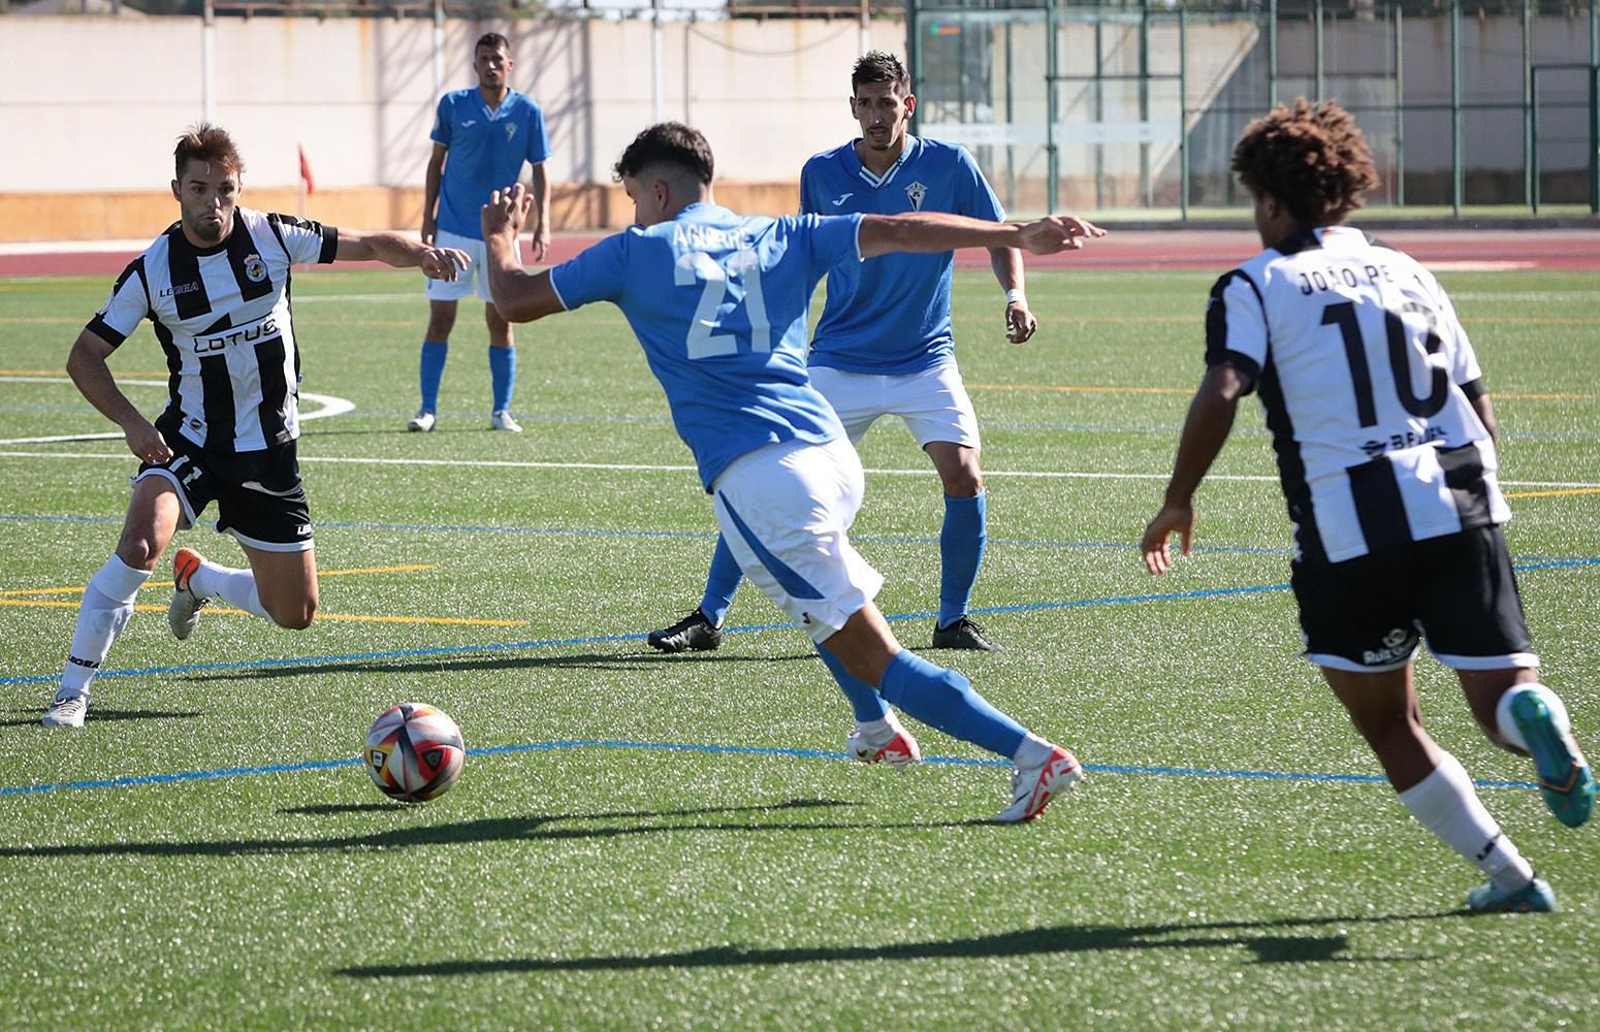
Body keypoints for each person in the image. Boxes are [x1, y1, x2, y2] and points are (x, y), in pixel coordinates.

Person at [482, 122, 1103, 820]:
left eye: (633, 197)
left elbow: (512, 300)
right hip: (829, 452)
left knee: (877, 653)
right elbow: (901, 229)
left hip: (763, 478)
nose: (634, 212)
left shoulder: (637, 251)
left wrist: (501, 234)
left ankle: (1033, 757)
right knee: (818, 605)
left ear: (657, 190)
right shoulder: (783, 232)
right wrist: (1013, 232)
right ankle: (875, 731)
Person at [1139, 99, 1592, 910]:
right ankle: (1534, 716)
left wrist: (1179, 498)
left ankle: (1512, 876)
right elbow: (1479, 410)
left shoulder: (1255, 282)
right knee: (1497, 704)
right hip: (1462, 503)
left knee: (1390, 722)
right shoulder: (1411, 270)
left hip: (1353, 529)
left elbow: (1224, 386)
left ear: (1272, 200)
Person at [42, 124, 469, 729]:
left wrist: (421, 253)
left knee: (294, 612)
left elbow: (368, 243)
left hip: (269, 452)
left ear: (238, 190)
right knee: (141, 540)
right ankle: (71, 692)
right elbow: (84, 356)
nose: (212, 202)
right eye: (199, 188)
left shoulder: (270, 235)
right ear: (176, 191)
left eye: (225, 189)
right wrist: (133, 424)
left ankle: (203, 580)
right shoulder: (152, 271)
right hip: (188, 441)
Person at [647, 51, 1036, 656]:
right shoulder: (821, 173)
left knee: (964, 475)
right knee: (765, 478)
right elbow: (806, 254)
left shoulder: (951, 165)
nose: (877, 115)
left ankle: (953, 619)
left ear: (909, 105)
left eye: (888, 103)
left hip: (926, 360)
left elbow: (997, 234)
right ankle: (708, 616)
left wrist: (1015, 294)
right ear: (852, 107)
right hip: (837, 360)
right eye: (866, 103)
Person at [409, 31, 551, 434]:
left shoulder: (528, 111)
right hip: (452, 229)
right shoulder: (453, 105)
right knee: (440, 319)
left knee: (502, 319)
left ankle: (501, 410)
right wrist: (428, 217)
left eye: (497, 58)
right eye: (483, 58)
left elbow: (540, 170)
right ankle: (428, 409)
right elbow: (436, 164)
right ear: (475, 65)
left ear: (510, 65)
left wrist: (543, 222)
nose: (491, 64)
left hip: (501, 235)